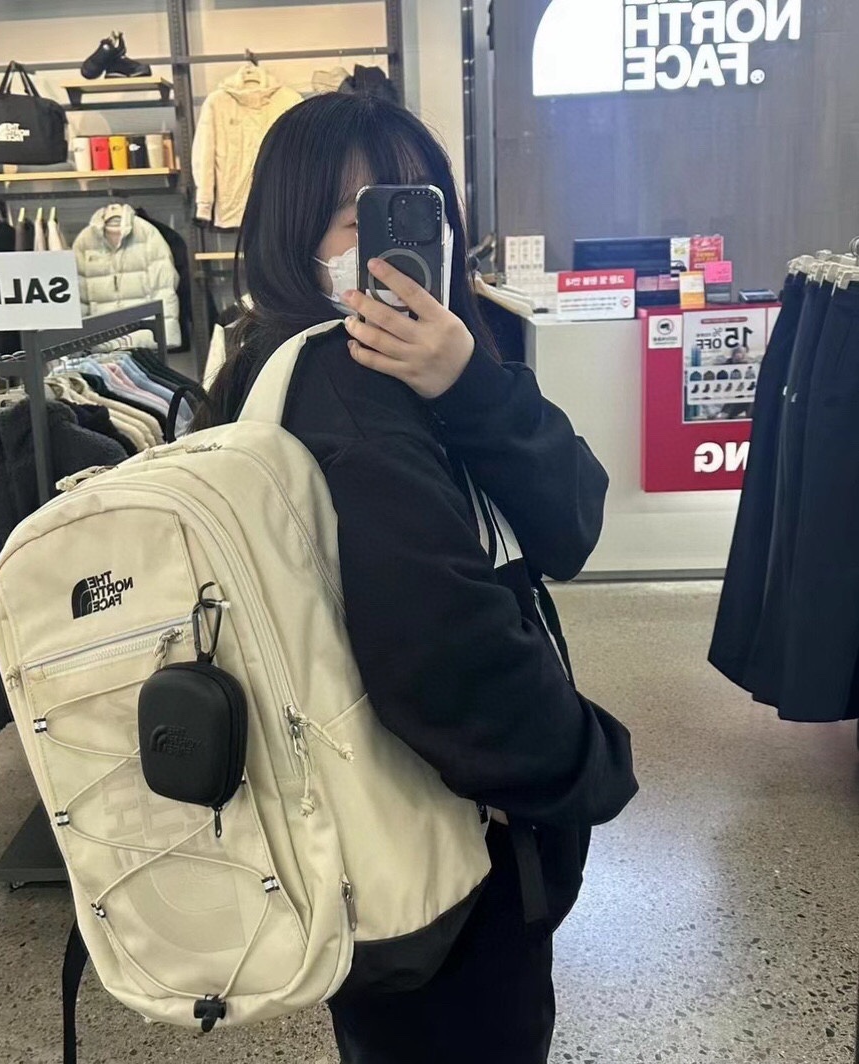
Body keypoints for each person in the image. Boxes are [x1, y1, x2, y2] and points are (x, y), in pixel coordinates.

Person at [193, 93, 638, 1064]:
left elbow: (570, 523)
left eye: (414, 208)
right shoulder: (341, 392)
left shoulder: (415, 375)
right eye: (352, 215)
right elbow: (440, 648)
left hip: (384, 840)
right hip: (446, 853)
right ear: (291, 233)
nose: (388, 242)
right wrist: (585, 767)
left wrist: (470, 383)